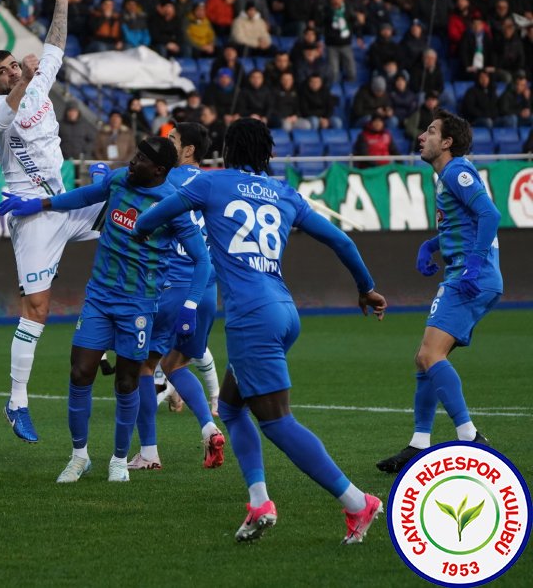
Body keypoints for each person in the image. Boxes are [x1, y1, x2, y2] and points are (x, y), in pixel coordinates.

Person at [133, 117, 387, 544]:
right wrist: (366, 289)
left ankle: (358, 503)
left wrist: (140, 228)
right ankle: (258, 502)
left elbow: (151, 218)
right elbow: (343, 241)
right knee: (231, 408)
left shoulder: (211, 184)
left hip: (252, 317)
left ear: (228, 150)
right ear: (266, 154)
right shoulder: (285, 193)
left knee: (278, 423)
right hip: (284, 310)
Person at [0, 137, 209, 483]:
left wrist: (189, 304)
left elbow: (202, 259)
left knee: (126, 381)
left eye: (141, 158)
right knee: (80, 372)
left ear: (158, 169)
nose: (133, 161)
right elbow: (83, 197)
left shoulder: (173, 204)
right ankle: (79, 456)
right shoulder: (120, 180)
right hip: (99, 297)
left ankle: (119, 459)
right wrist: (39, 204)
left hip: (139, 304)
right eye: (135, 154)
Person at [0, 0, 101, 444]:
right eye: (3, 71)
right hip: (31, 215)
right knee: (37, 306)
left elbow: (55, 43)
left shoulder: (38, 81)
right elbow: (11, 108)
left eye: (14, 65)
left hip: (68, 203)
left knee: (132, 222)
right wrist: (25, 80)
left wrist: (62, 0)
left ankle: (118, 330)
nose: (12, 71)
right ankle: (16, 401)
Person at [376, 110, 501, 474]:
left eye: (431, 131)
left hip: (469, 275)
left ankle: (470, 439)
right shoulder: (446, 176)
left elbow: (490, 215)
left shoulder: (454, 171)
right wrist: (430, 246)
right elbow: (465, 222)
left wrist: (475, 264)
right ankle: (419, 444)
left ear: (447, 142)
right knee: (424, 359)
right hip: (465, 271)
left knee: (431, 357)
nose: (422, 136)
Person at [129, 122, 223, 472]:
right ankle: (209, 427)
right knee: (176, 364)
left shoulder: (165, 182)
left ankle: (149, 453)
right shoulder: (213, 184)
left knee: (144, 365)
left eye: (172, 141)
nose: (166, 146)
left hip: (172, 287)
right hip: (207, 291)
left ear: (188, 151)